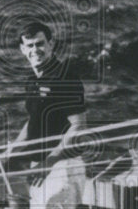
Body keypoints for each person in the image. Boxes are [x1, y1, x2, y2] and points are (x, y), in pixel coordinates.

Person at [5, 20, 87, 169]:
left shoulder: (64, 78)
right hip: (40, 165)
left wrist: (49, 162)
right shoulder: (32, 81)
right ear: (23, 49)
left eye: (40, 44)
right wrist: (11, 152)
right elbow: (33, 121)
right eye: (30, 45)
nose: (35, 50)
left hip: (63, 166)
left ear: (51, 44)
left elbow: (79, 125)